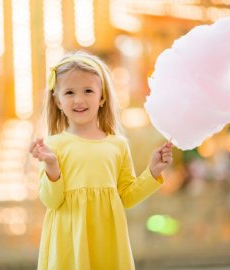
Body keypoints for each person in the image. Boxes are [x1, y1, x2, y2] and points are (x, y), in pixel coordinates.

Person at [29, 50, 173, 270]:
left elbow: (126, 196)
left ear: (102, 97)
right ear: (57, 101)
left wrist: (152, 171)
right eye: (69, 92)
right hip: (69, 243)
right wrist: (52, 167)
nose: (79, 100)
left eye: (88, 90)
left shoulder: (118, 145)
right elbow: (51, 201)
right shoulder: (54, 145)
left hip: (107, 240)